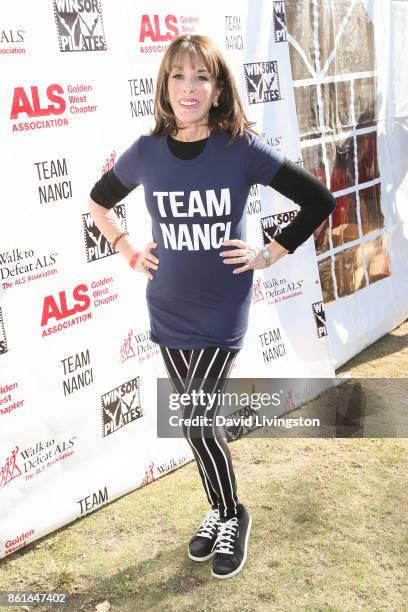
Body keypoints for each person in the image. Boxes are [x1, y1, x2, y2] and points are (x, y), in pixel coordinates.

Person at [89, 33, 336, 580]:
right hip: (167, 306)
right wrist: (129, 249)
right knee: (196, 423)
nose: (188, 87)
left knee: (197, 420)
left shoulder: (238, 148)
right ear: (164, 86)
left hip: (222, 306)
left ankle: (233, 514)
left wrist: (269, 252)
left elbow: (319, 198)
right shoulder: (145, 152)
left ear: (219, 88)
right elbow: (98, 202)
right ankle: (218, 509)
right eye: (178, 75)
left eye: (201, 76)